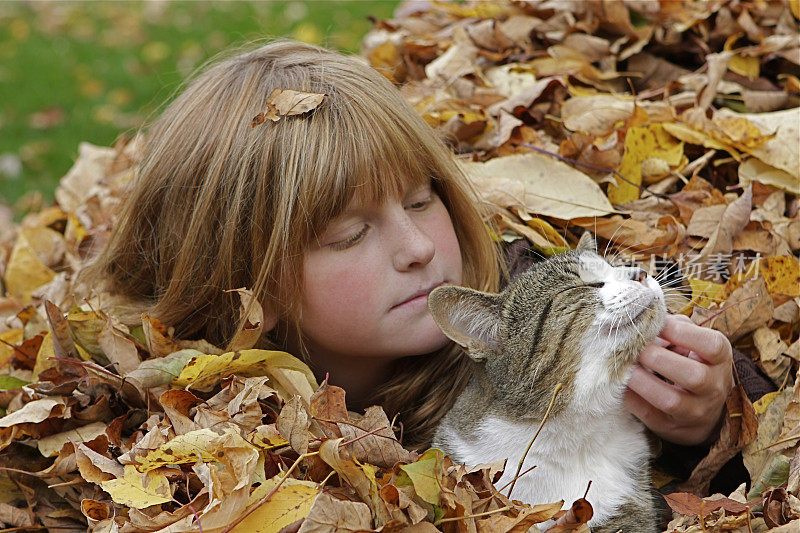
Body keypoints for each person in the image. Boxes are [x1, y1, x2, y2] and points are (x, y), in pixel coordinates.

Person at [83, 40, 760, 454]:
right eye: (348, 234)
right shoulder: (169, 428)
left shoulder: (533, 305)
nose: (415, 247)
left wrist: (715, 417)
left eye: (420, 199)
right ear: (233, 278)